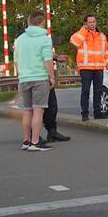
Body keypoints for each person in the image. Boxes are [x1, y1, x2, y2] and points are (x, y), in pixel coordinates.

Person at [14, 11, 55, 151]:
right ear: (42, 22)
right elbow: (47, 60)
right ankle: (35, 142)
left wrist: (21, 74)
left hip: (24, 79)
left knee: (27, 111)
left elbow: (16, 61)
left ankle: (26, 141)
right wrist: (51, 77)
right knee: (38, 111)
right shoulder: (45, 38)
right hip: (39, 78)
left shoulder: (19, 40)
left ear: (29, 22)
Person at [70, 14, 108, 121]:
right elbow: (74, 42)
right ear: (85, 23)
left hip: (98, 67)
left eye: (94, 21)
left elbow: (106, 52)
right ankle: (84, 114)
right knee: (85, 91)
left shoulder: (102, 36)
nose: (92, 24)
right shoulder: (81, 34)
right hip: (85, 67)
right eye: (89, 22)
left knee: (98, 91)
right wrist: (84, 31)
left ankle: (97, 113)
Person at [42, 52, 71, 143]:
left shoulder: (42, 38)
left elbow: (46, 52)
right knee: (36, 109)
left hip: (44, 76)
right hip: (36, 77)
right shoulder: (25, 40)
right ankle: (32, 137)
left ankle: (52, 132)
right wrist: (56, 57)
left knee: (52, 106)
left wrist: (56, 57)